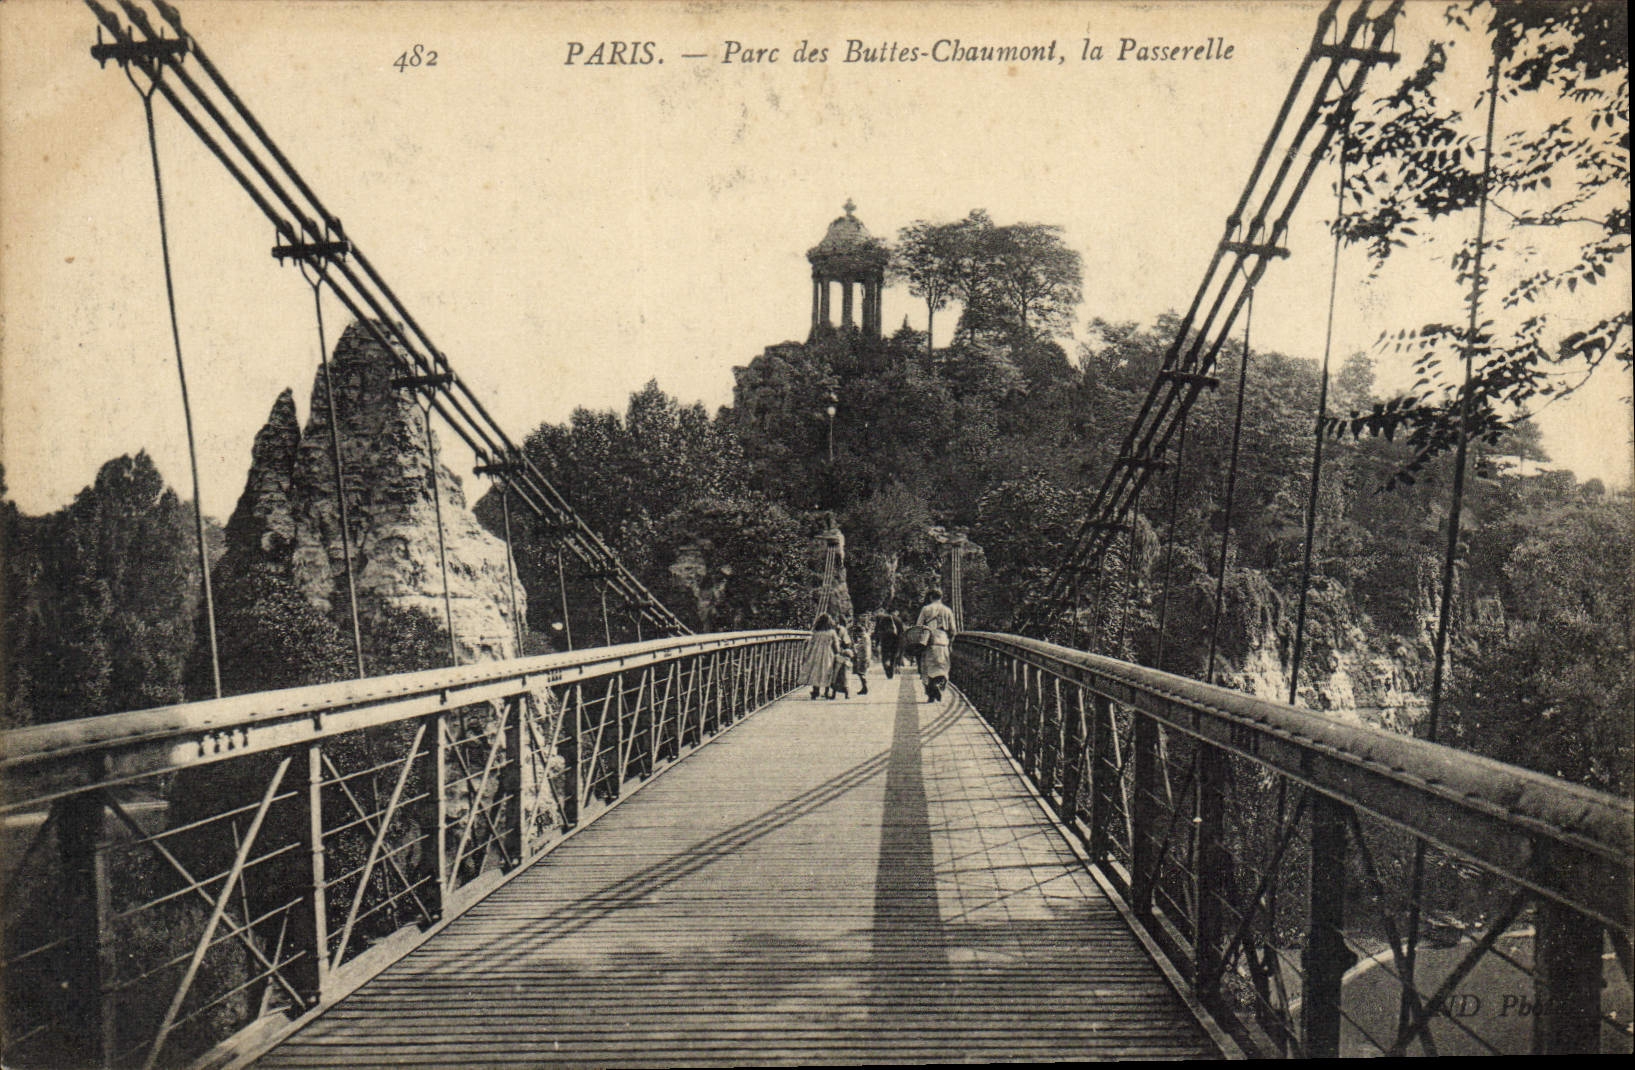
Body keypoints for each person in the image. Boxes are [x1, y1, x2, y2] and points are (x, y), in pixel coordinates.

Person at [916, 587, 956, 702]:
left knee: (927, 667)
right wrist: (951, 642)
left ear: (930, 597)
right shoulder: (947, 610)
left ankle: (930, 694)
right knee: (943, 667)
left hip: (929, 641)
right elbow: (953, 630)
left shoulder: (926, 609)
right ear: (941, 597)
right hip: (943, 641)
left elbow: (919, 626)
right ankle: (939, 684)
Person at [802, 613, 841, 700]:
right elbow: (836, 645)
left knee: (816, 671)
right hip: (828, 653)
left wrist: (806, 655)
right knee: (828, 671)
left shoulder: (815, 632)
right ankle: (827, 692)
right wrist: (838, 652)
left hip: (816, 653)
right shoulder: (832, 632)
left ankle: (815, 691)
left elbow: (810, 644)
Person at [873, 611, 902, 680]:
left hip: (885, 641)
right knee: (893, 656)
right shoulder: (898, 620)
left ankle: (887, 669)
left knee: (884, 656)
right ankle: (891, 670)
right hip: (896, 641)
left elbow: (877, 631)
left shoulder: (883, 620)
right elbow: (901, 632)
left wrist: (877, 643)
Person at [850, 616, 872, 696]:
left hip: (864, 658)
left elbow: (864, 647)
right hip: (864, 657)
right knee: (861, 673)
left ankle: (865, 688)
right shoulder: (865, 637)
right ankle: (864, 687)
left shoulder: (864, 637)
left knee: (861, 673)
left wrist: (855, 646)